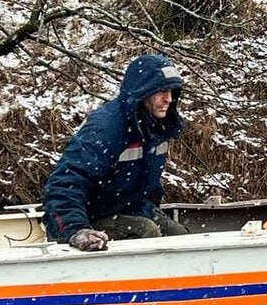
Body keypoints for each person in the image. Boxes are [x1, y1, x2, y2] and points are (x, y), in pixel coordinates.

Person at [43, 54, 189, 251]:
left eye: (172, 92)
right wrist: (75, 229)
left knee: (178, 235)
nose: (169, 99)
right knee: (146, 231)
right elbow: (65, 182)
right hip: (89, 218)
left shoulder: (156, 126)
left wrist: (150, 207)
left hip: (127, 209)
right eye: (161, 91)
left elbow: (148, 184)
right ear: (143, 92)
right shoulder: (106, 127)